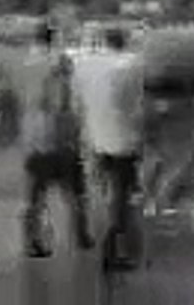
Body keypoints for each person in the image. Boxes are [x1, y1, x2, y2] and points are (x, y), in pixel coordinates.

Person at [21, 23, 94, 258]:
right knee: (75, 190)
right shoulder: (59, 63)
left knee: (35, 193)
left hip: (33, 136)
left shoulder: (25, 64)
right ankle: (81, 235)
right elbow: (62, 101)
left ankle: (31, 239)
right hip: (57, 135)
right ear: (52, 38)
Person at [79, 27, 144, 269]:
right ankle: (113, 248)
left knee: (105, 190)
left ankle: (110, 237)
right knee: (122, 195)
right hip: (124, 139)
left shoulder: (86, 64)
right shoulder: (131, 65)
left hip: (96, 137)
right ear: (124, 41)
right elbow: (136, 104)